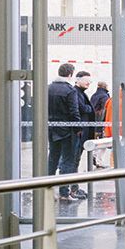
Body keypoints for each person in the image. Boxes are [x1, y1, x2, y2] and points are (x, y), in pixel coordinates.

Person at [47, 63, 87, 200]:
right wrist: (78, 129)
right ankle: (64, 192)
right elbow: (74, 112)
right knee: (68, 162)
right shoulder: (70, 91)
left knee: (52, 159)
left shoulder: (49, 88)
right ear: (70, 75)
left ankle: (47, 189)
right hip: (68, 131)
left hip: (52, 129)